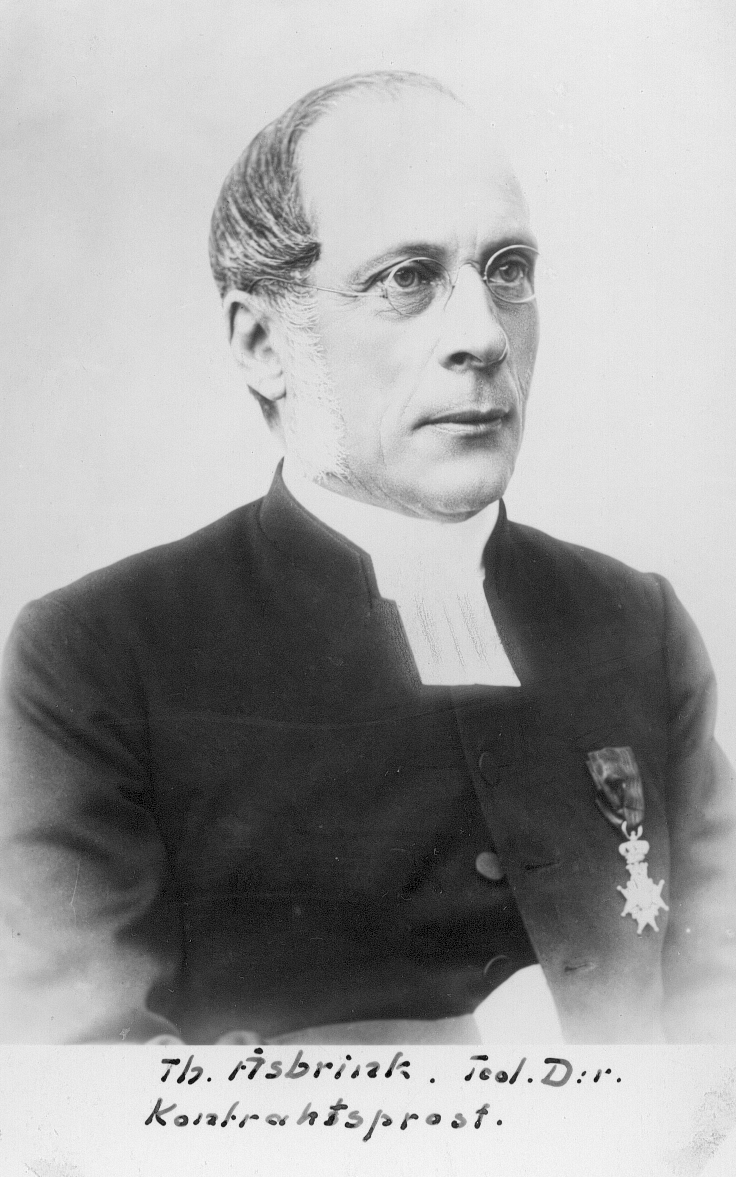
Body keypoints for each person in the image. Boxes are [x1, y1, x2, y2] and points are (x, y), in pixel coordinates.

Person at [1, 71, 734, 1046]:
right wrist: (472, 1068)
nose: (483, 338)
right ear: (262, 343)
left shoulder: (636, 625)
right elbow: (84, 1091)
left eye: (508, 270)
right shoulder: (95, 658)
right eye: (406, 279)